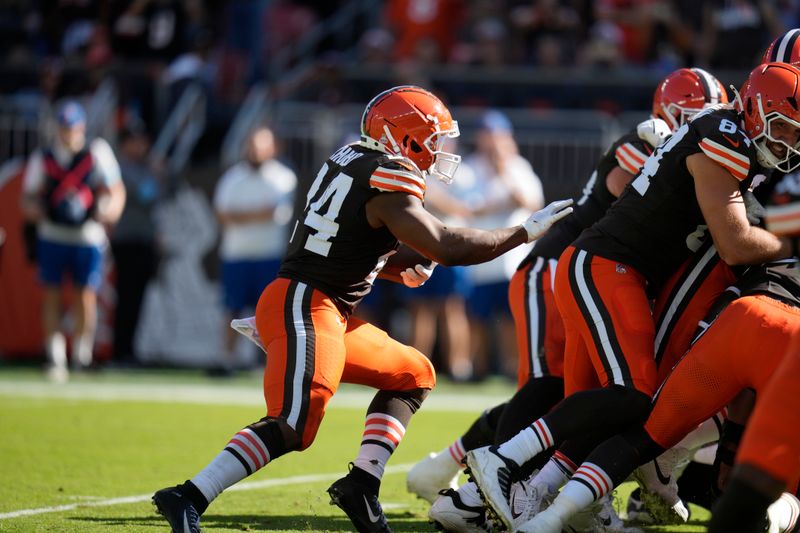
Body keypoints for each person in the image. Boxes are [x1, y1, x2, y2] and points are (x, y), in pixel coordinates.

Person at [151, 85, 573, 533]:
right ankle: (187, 495)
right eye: (432, 138)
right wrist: (522, 232)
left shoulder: (352, 158)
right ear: (402, 136)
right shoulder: (390, 176)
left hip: (322, 307)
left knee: (414, 373)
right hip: (306, 304)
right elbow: (446, 245)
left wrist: (397, 266)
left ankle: (361, 485)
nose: (439, 149)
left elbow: (348, 240)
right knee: (295, 425)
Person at [466, 62, 795, 532]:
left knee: (595, 398)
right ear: (758, 110)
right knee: (630, 394)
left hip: (614, 271)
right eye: (781, 125)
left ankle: (512, 496)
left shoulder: (719, 129)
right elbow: (736, 243)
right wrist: (791, 239)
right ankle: (500, 459)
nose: (787, 139)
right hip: (606, 267)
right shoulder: (725, 138)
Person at [415, 67, 726, 531]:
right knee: (547, 384)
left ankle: (460, 475)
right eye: (692, 117)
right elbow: (637, 193)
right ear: (666, 114)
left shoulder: (685, 148)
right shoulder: (642, 144)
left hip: (592, 273)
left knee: (572, 394)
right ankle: (481, 494)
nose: (701, 127)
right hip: (556, 266)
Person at [20, 100, 125, 382]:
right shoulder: (44, 156)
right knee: (52, 294)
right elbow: (27, 198)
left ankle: (82, 355)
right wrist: (41, 210)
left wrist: (107, 211)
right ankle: (55, 355)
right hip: (53, 233)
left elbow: (116, 191)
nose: (69, 133)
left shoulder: (96, 152)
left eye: (73, 128)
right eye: (64, 128)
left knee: (85, 295)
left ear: (81, 127)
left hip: (87, 235)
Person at [461, 110, 545, 379]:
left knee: (513, 320)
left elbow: (533, 205)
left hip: (513, 259)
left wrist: (504, 174)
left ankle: (514, 368)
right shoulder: (469, 167)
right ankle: (477, 369)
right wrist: (501, 201)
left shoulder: (518, 167)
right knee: (477, 320)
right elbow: (469, 209)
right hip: (481, 260)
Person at [212, 126, 296, 374]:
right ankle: (226, 360)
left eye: (260, 147)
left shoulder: (283, 177)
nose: (255, 152)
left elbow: (276, 214)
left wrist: (240, 215)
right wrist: (257, 213)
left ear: (273, 148)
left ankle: (268, 363)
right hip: (236, 255)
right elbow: (223, 215)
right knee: (231, 308)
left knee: (268, 314)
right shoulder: (232, 177)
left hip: (269, 256)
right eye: (252, 146)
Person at [109, 124, 162, 365]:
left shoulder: (142, 168)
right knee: (127, 298)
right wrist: (156, 174)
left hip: (144, 242)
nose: (142, 146)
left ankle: (129, 349)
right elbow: (146, 195)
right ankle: (120, 351)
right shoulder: (121, 168)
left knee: (137, 299)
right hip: (127, 242)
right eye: (136, 141)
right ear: (125, 144)